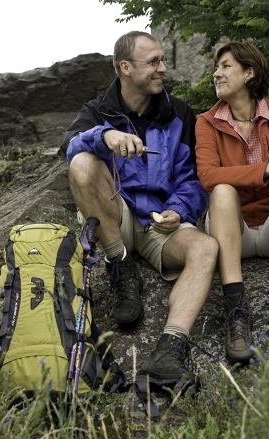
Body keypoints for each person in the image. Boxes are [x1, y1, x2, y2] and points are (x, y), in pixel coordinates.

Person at [60, 31, 218, 387]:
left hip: (160, 223)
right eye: (154, 62)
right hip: (118, 219)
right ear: (125, 68)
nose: (163, 68)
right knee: (82, 164)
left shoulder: (180, 114)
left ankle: (169, 349)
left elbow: (193, 179)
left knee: (206, 248)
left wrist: (180, 209)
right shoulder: (97, 110)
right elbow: (69, 148)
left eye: (163, 60)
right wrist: (105, 136)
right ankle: (121, 267)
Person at [195, 41, 269, 364]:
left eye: (225, 66)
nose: (216, 73)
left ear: (249, 73)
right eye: (215, 67)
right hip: (235, 232)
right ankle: (236, 310)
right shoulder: (206, 122)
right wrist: (268, 168)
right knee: (220, 190)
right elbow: (208, 175)